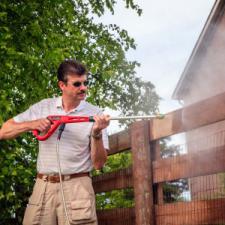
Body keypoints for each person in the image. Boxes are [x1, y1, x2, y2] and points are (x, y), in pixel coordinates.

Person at [0, 59, 110, 225]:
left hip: (78, 186)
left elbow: (99, 164)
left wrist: (96, 133)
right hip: (43, 186)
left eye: (85, 83)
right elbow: (4, 131)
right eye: (77, 84)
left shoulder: (95, 114)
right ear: (62, 85)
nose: (84, 88)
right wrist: (32, 124)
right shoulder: (43, 107)